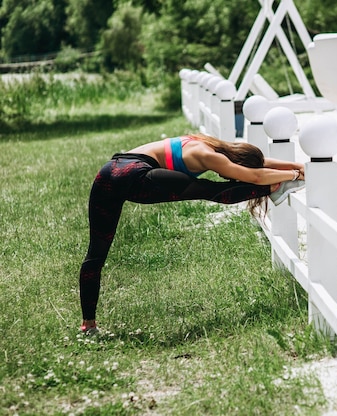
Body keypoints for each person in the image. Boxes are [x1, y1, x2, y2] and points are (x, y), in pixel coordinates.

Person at [79, 133, 305, 335]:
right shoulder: (211, 156)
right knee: (213, 191)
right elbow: (254, 176)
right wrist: (293, 175)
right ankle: (274, 189)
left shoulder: (209, 143)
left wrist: (297, 166)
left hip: (109, 171)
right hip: (137, 176)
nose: (230, 177)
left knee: (96, 252)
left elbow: (258, 164)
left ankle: (88, 324)